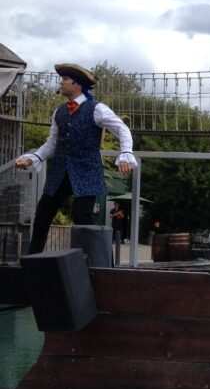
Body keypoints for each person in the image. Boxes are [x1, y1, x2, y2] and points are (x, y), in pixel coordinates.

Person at [14, 63, 137, 254]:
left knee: (83, 219)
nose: (61, 83)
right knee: (43, 214)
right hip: (60, 172)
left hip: (86, 171)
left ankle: (101, 267)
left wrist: (125, 153)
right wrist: (33, 158)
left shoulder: (97, 109)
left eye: (64, 79)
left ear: (77, 83)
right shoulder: (59, 112)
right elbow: (52, 144)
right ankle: (32, 263)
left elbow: (122, 129)